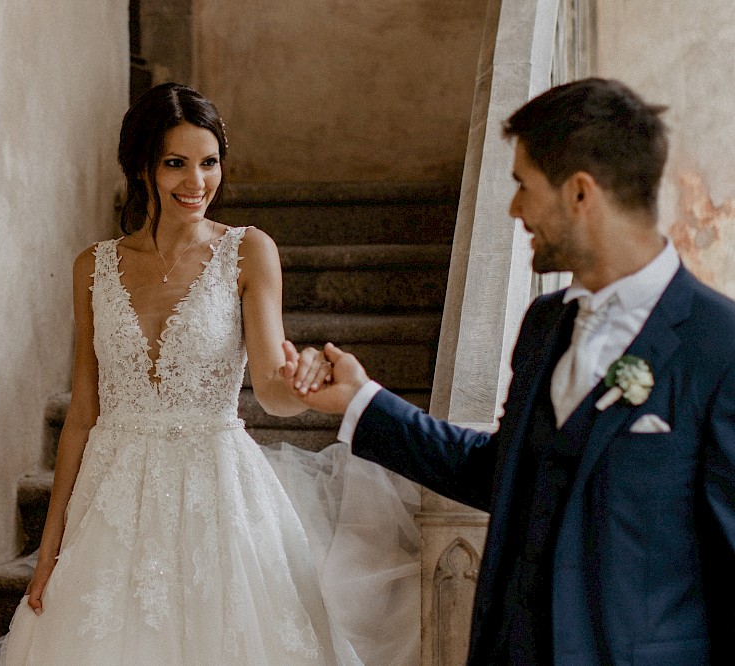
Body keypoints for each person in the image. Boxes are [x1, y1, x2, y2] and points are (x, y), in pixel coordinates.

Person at [0, 82, 420, 666]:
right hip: (112, 499)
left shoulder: (249, 251)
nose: (196, 182)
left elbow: (273, 392)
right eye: (176, 164)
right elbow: (82, 414)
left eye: (209, 163)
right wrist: (49, 548)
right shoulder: (93, 267)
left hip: (215, 493)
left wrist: (306, 382)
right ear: (143, 167)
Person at [284, 78, 735, 665]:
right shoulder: (545, 324)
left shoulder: (717, 346)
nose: (514, 207)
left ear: (580, 194)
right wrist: (361, 402)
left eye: (524, 185)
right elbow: (500, 473)